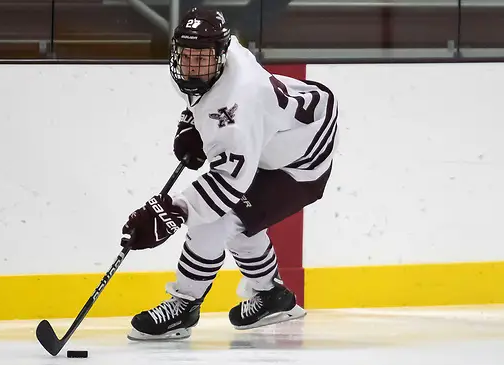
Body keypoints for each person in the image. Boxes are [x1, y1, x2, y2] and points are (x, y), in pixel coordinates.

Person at [120, 6, 339, 341]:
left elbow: (227, 183)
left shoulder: (240, 106)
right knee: (242, 222)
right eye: (186, 55)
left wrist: (174, 212)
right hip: (280, 131)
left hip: (303, 159)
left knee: (218, 220)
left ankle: (184, 304)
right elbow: (206, 106)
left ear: (221, 56)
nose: (192, 65)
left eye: (202, 58)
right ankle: (271, 296)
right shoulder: (219, 60)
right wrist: (192, 125)